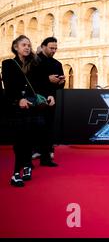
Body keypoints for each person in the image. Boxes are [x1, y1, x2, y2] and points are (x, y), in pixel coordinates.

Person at [1, 35, 55, 187]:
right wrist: (18, 99)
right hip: (16, 107)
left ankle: (26, 166)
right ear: (15, 47)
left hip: (33, 106)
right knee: (20, 141)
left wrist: (49, 95)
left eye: (29, 45)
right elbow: (9, 85)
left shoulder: (35, 64)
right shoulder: (8, 64)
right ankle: (16, 174)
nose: (27, 47)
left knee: (29, 138)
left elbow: (42, 83)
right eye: (23, 44)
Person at [34, 37, 64, 166]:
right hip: (34, 100)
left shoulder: (57, 64)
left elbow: (59, 85)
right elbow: (30, 80)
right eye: (51, 48)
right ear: (43, 46)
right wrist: (47, 79)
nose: (54, 50)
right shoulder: (34, 61)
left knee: (48, 129)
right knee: (34, 128)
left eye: (55, 48)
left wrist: (61, 82)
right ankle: (30, 157)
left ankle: (46, 158)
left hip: (50, 99)